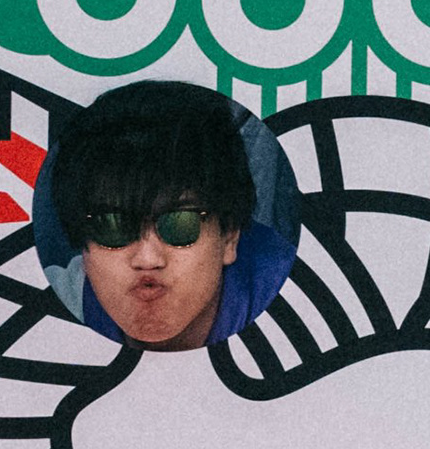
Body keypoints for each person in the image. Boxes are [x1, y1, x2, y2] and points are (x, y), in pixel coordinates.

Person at [28, 82, 299, 352]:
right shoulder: (42, 308)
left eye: (180, 224)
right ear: (82, 244)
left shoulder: (296, 299)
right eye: (112, 225)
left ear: (229, 237)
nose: (147, 259)